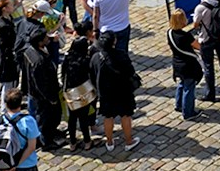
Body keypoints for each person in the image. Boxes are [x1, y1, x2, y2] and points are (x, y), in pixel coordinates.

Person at [90, 32, 140, 152]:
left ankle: (109, 142)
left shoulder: (96, 57)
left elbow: (92, 74)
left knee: (108, 117)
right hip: (123, 90)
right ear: (114, 42)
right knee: (125, 115)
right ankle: (129, 141)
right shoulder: (121, 55)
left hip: (105, 92)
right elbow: (130, 71)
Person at [20, 28, 63, 152]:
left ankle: (51, 133)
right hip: (42, 96)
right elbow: (41, 83)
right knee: (45, 119)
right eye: (45, 37)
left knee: (50, 117)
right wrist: (51, 98)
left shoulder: (29, 51)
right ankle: (46, 142)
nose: (47, 38)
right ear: (39, 42)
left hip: (36, 92)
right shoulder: (39, 61)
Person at [62, 21, 96, 149]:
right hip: (82, 91)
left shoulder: (68, 58)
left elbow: (63, 73)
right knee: (83, 118)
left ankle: (72, 143)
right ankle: (87, 141)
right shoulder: (85, 60)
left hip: (70, 91)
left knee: (72, 118)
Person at [167, 8, 202, 120]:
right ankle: (188, 112)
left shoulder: (170, 33)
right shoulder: (185, 36)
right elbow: (198, 46)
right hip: (188, 65)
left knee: (182, 84)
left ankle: (179, 105)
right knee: (189, 87)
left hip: (177, 63)